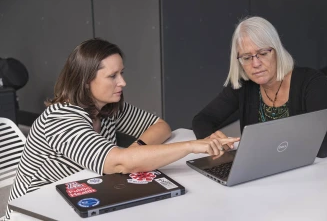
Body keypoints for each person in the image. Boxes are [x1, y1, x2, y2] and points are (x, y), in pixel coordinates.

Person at [5, 38, 239, 220]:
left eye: (122, 73)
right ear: (85, 81)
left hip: (81, 197)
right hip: (35, 211)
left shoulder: (108, 107)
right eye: (112, 76)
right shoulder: (62, 118)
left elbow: (160, 126)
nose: (123, 82)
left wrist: (137, 150)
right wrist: (190, 146)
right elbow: (119, 163)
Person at [192, 16, 327, 157]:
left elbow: (323, 147)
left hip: (318, 171)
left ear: (277, 51)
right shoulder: (244, 85)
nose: (256, 64)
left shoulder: (311, 82)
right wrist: (211, 138)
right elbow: (202, 119)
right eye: (247, 57)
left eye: (262, 53)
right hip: (264, 170)